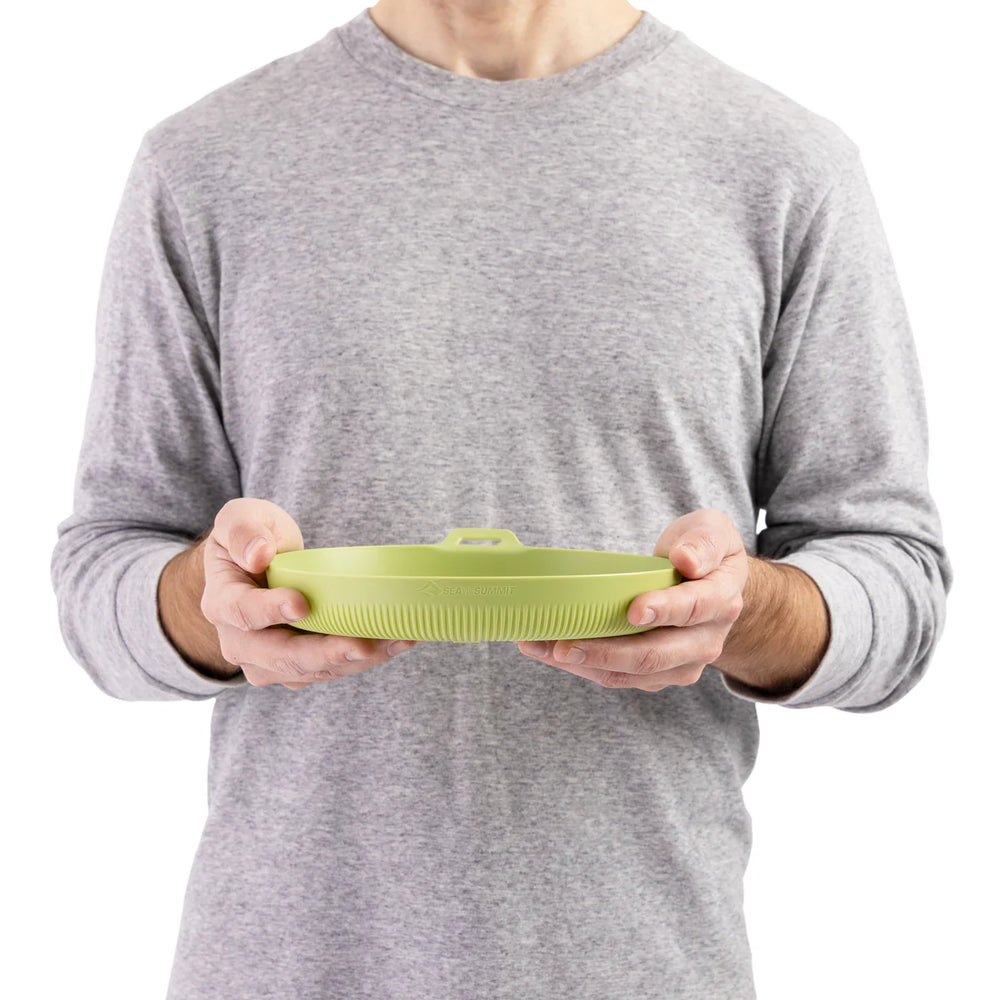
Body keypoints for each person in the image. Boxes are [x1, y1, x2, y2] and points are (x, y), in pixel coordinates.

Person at [49, 1, 952, 997]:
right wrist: (206, 603)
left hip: (645, 965)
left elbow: (895, 581)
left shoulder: (784, 165)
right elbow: (103, 570)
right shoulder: (204, 163)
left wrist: (745, 610)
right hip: (286, 967)